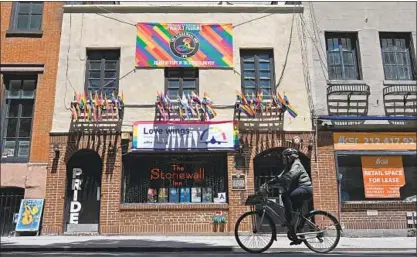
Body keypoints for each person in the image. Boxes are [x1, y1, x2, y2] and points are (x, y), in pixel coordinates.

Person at [263, 148, 313, 245]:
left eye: (284, 157)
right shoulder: (288, 166)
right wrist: (271, 182)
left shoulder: (296, 164)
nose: (283, 159)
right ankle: (296, 234)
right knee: (295, 212)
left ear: (290, 157)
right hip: (298, 189)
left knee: (286, 195)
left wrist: (278, 180)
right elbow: (281, 175)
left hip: (305, 188)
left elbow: (290, 176)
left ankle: (289, 220)